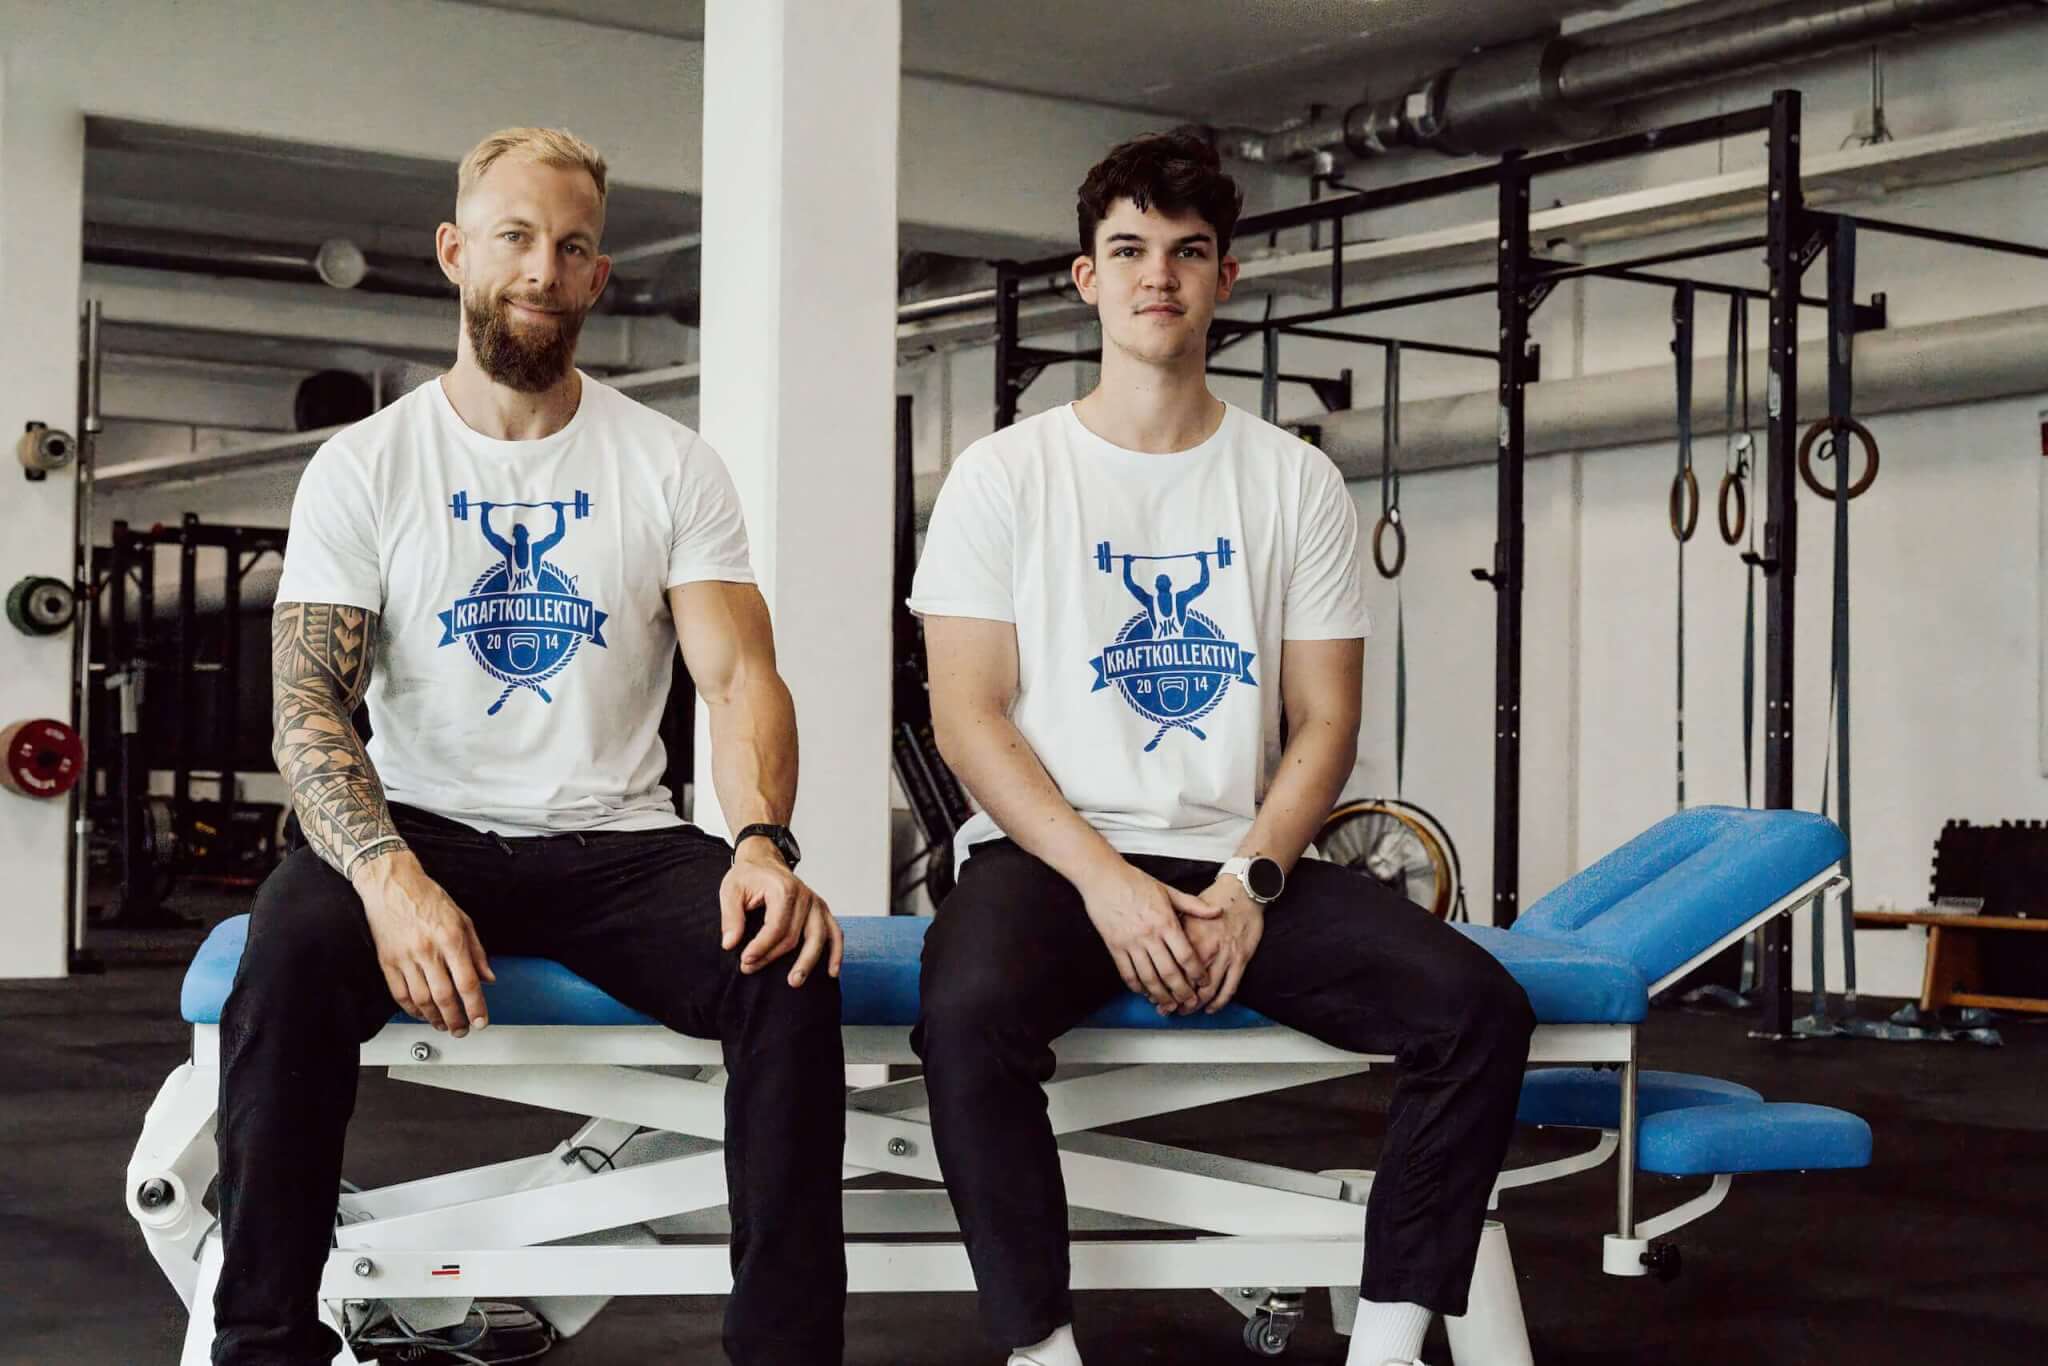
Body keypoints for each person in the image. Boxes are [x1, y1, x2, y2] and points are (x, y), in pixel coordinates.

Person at [214, 127, 847, 1366]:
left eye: (568, 247)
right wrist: (388, 879)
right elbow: (309, 710)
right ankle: (263, 1346)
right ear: (457, 254)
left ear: (598, 277)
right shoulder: (367, 466)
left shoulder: (669, 464)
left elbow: (738, 676)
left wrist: (762, 844)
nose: (540, 269)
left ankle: (784, 1353)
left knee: (783, 964)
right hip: (426, 831)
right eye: (513, 238)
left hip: (615, 843)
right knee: (289, 946)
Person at [908, 128, 1536, 1366]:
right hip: (1050, 859)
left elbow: (1325, 720)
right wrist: (1107, 884)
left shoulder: (1291, 480)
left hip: (1233, 860)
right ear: (1083, 279)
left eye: (1186, 253)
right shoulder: (1002, 477)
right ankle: (1040, 1351)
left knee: (1475, 1009)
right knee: (964, 1014)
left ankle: (1389, 1342)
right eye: (1128, 251)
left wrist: (1248, 885)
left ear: (1223, 281)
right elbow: (965, 715)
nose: (1158, 277)